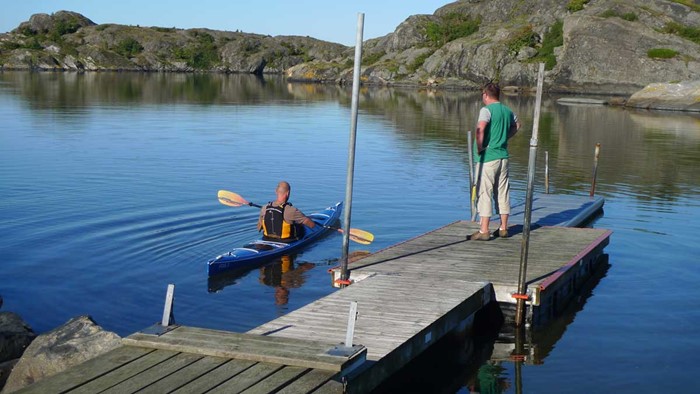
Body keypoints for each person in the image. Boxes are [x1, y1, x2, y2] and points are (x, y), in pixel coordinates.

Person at [470, 82, 521, 241]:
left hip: (488, 157)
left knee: (485, 192)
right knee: (503, 191)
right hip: (503, 156)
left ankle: (484, 230)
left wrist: (480, 147)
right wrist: (505, 137)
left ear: (485, 95)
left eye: (482, 95)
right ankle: (503, 227)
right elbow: (517, 125)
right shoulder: (507, 110)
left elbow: (480, 128)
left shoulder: (486, 110)